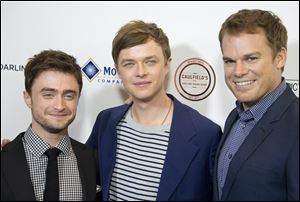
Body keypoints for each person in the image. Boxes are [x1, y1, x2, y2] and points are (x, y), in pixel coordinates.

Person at [85, 20, 222, 201]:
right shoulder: (106, 121)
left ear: (166, 66)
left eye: (150, 62)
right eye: (129, 64)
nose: (140, 72)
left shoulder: (206, 134)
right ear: (118, 71)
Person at [213, 9, 299, 201]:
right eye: (229, 61)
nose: (238, 71)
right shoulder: (234, 117)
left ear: (280, 57)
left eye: (251, 58)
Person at [1, 50, 99, 201]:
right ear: (28, 98)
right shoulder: (5, 158)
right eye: (48, 94)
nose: (59, 106)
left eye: (68, 95)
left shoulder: (92, 160)